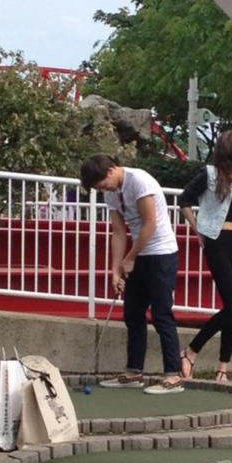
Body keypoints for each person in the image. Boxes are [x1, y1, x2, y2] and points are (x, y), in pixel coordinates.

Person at [79, 154, 183, 395]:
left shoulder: (139, 181)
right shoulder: (111, 193)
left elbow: (150, 224)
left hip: (161, 253)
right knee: (133, 314)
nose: (104, 190)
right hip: (138, 255)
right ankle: (134, 372)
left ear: (111, 170)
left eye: (103, 184)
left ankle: (173, 375)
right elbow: (118, 232)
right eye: (99, 188)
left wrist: (130, 258)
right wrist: (115, 270)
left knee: (161, 314)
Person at [177, 130, 232, 383]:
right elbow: (184, 199)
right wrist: (196, 229)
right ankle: (191, 351)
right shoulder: (210, 174)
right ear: (230, 149)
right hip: (217, 241)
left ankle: (222, 368)